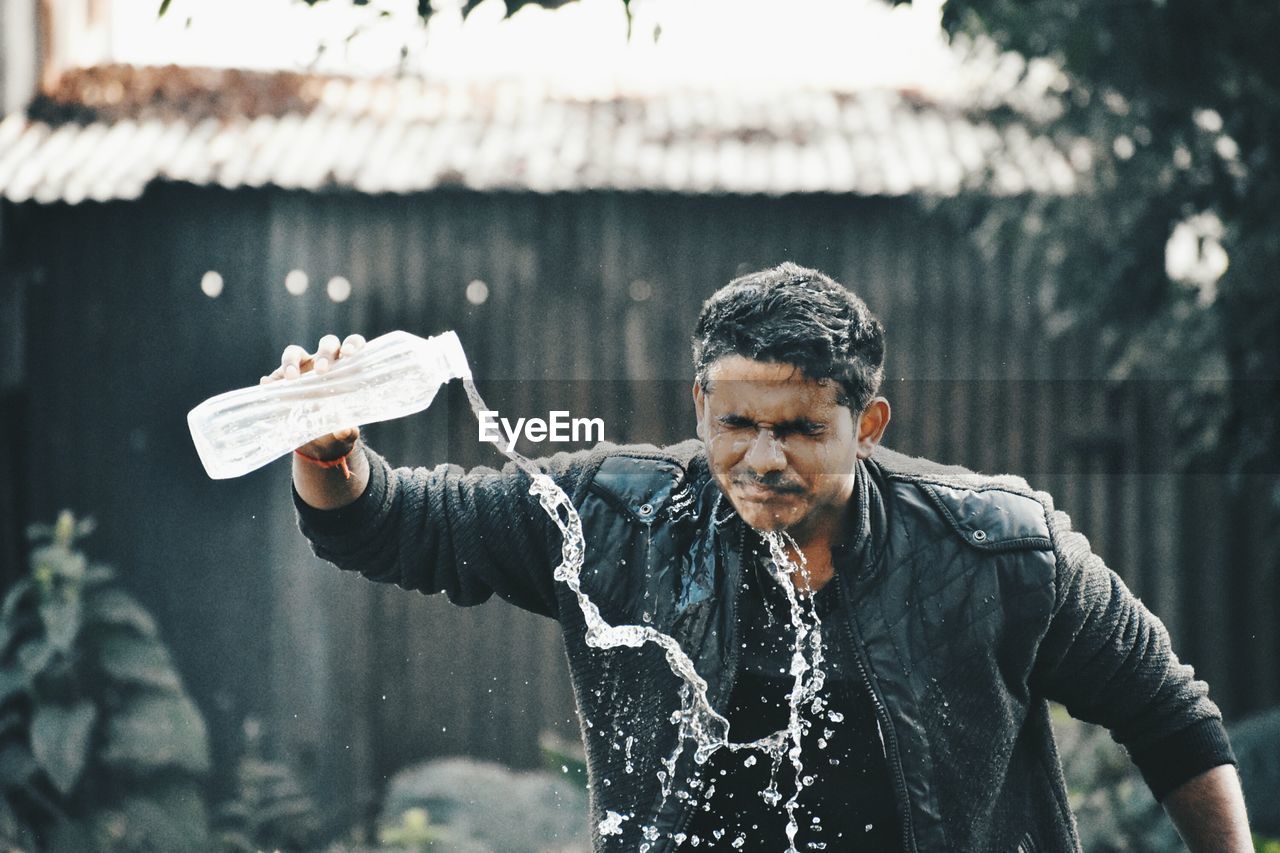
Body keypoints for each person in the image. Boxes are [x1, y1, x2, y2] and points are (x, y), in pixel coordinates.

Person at [273, 263, 1252, 851]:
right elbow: (399, 523)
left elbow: (1169, 719)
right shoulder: (614, 516)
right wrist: (333, 455)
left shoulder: (995, 549)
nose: (762, 458)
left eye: (799, 429)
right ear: (699, 408)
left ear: (865, 424)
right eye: (735, 423)